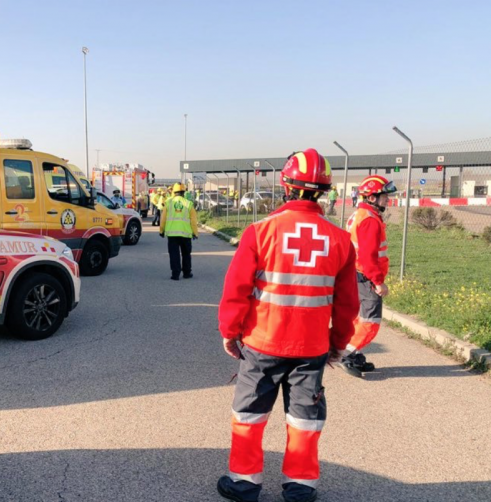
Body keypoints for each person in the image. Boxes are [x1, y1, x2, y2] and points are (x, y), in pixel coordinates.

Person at [217, 148, 359, 502]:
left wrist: (230, 332)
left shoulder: (259, 231)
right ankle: (300, 487)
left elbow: (235, 290)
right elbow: (347, 304)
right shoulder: (340, 240)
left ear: (286, 186)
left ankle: (245, 483)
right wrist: (339, 344)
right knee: (304, 418)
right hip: (312, 348)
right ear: (323, 192)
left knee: (249, 414)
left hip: (262, 343)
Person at [338, 175, 398, 378]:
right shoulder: (370, 220)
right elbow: (368, 256)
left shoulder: (359, 215)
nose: (387, 200)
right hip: (366, 276)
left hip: (355, 274)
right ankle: (347, 354)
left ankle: (354, 354)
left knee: (358, 319)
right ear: (372, 198)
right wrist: (378, 282)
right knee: (370, 320)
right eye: (384, 196)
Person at [159, 183, 198, 280]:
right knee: (186, 254)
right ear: (184, 192)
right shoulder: (189, 204)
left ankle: (175, 274)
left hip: (172, 234)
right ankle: (187, 273)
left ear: (174, 192)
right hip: (186, 234)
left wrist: (161, 230)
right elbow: (193, 221)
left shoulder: (168, 203)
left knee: (174, 254)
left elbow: (163, 218)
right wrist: (195, 233)